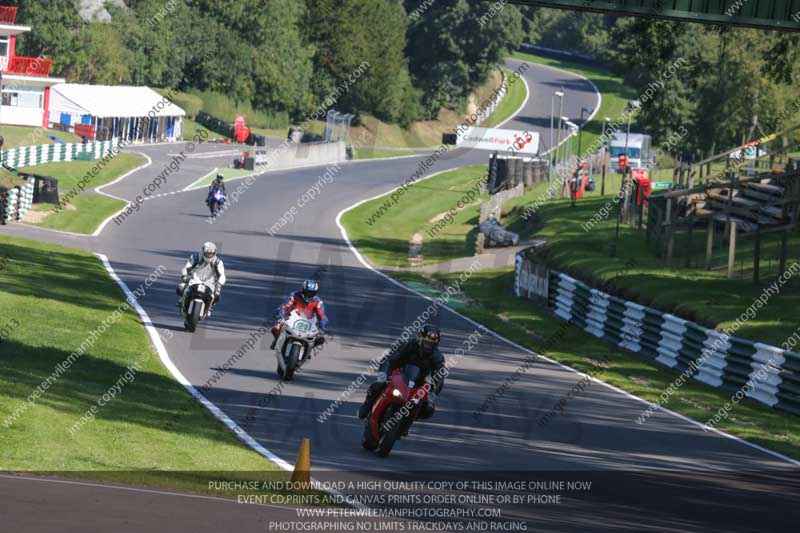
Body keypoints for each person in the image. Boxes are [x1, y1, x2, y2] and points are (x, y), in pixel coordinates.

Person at [357, 325, 445, 420]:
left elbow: (440, 376)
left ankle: (411, 418)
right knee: (377, 386)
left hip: (417, 384)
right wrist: (383, 374)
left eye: (432, 344)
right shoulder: (407, 345)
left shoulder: (437, 357)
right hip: (398, 376)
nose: (429, 347)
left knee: (429, 408)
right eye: (427, 343)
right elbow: (388, 359)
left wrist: (433, 394)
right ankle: (367, 405)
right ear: (420, 339)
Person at [270, 279, 329, 349]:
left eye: (312, 293)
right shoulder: (294, 295)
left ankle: (309, 348)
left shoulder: (318, 302)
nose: (309, 295)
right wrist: (280, 316)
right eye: (307, 292)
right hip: (291, 318)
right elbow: (284, 306)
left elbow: (322, 315)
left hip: (309, 322)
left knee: (320, 339)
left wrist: (322, 327)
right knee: (276, 328)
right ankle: (277, 339)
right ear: (302, 290)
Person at [176, 242, 226, 317]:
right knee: (181, 287)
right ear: (203, 251)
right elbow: (186, 267)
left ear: (214, 253)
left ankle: (209, 307)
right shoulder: (196, 257)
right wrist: (184, 275)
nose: (209, 255)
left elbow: (222, 275)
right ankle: (182, 300)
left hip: (209, 282)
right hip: (194, 278)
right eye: (207, 253)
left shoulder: (218, 262)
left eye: (211, 254)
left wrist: (219, 284)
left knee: (217, 295)